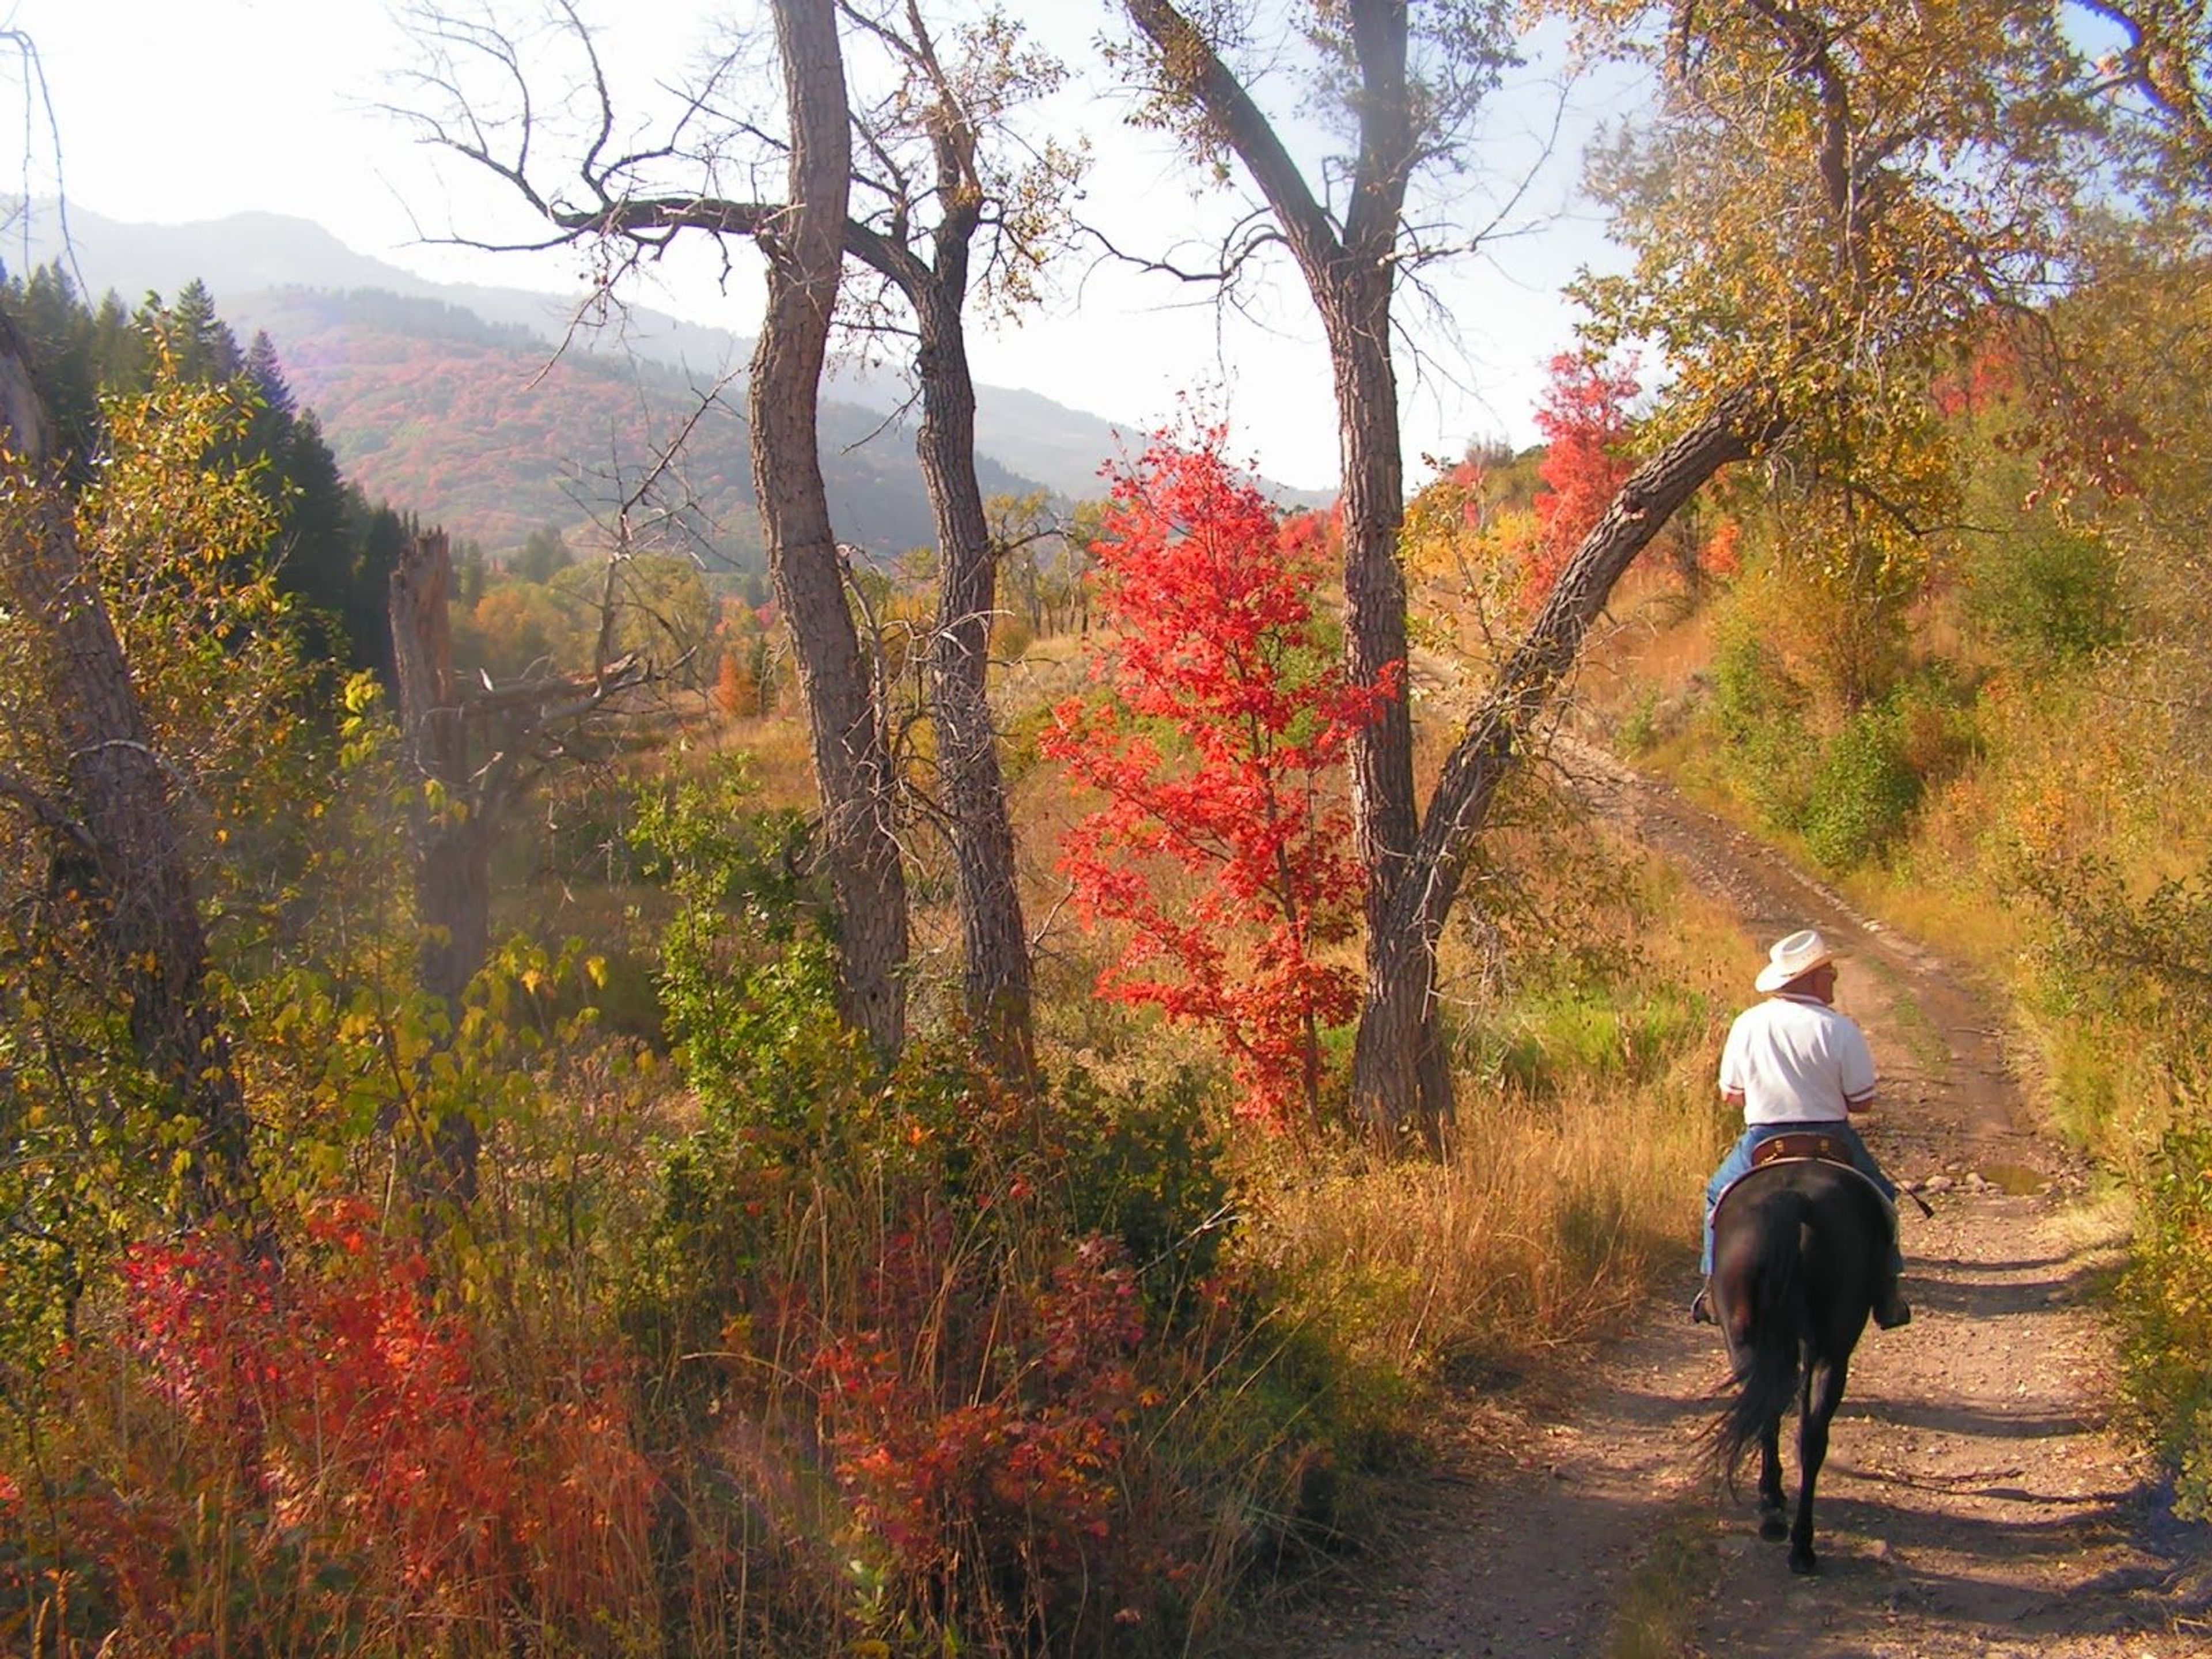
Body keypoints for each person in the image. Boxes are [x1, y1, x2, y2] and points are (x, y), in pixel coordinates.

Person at [1691, 927, 1911, 1331]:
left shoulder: (1748, 1024)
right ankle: (1887, 1292)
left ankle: (1711, 1288)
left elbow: (1731, 1095)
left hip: (1763, 1139)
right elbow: (1862, 1101)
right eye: (1830, 973)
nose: (1834, 980)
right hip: (1831, 1137)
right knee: (1883, 1196)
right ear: (1810, 978)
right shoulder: (1841, 1029)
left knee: (1716, 1194)